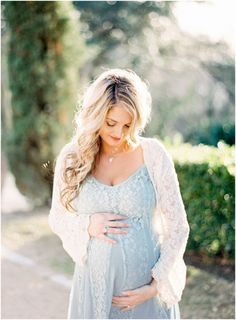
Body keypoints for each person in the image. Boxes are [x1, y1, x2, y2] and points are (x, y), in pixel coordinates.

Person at [48, 68, 190, 319]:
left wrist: (155, 286)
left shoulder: (153, 154)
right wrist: (88, 225)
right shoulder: (73, 157)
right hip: (93, 292)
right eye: (111, 123)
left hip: (146, 298)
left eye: (128, 125)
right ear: (95, 115)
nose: (118, 133)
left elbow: (178, 226)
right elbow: (57, 218)